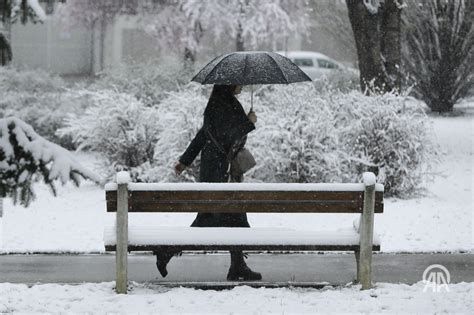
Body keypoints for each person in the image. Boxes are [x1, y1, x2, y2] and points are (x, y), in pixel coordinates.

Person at [155, 84, 262, 281]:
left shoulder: (219, 103)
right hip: (219, 172)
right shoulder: (223, 104)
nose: (242, 85)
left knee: (237, 218)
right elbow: (226, 136)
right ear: (229, 84)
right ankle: (166, 251)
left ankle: (238, 265)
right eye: (239, 81)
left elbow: (204, 134)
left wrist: (184, 161)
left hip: (220, 170)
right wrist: (248, 123)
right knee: (208, 218)